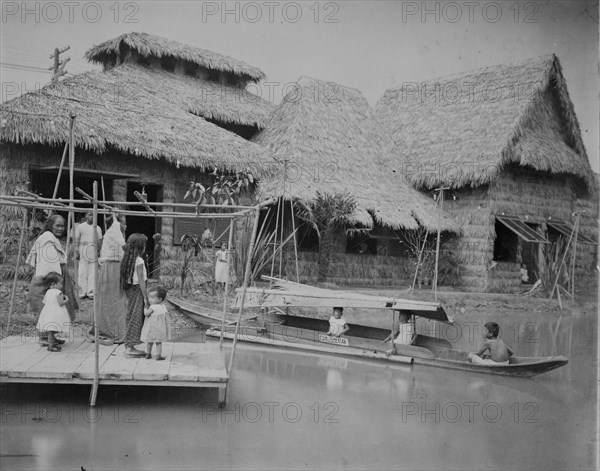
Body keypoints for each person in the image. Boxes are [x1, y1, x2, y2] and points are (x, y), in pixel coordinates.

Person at [26, 214, 78, 343]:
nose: (61, 228)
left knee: (53, 310)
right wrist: (55, 282)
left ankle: (51, 337)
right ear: (50, 225)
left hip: (51, 280)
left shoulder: (51, 238)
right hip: (46, 281)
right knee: (45, 310)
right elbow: (48, 263)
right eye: (58, 225)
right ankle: (44, 338)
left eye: (62, 226)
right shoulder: (47, 239)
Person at [94, 213, 127, 343]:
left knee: (117, 300)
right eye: (123, 223)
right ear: (117, 224)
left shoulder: (114, 235)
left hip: (115, 268)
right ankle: (111, 331)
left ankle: (115, 330)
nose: (125, 226)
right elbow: (124, 246)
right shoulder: (113, 233)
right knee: (112, 300)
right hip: (111, 269)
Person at [120, 233, 149, 357]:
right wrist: (146, 298)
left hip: (130, 290)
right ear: (140, 247)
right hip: (137, 290)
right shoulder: (139, 261)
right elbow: (141, 281)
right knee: (135, 318)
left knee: (131, 316)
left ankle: (129, 345)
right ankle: (130, 347)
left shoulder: (128, 258)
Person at [36, 272, 71, 352]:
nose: (62, 285)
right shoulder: (58, 292)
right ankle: (51, 345)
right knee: (53, 330)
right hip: (57, 314)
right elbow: (61, 303)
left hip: (48, 313)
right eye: (60, 283)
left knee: (51, 328)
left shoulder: (48, 292)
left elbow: (44, 302)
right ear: (54, 284)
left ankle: (53, 340)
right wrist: (66, 299)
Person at [74, 211, 103, 299]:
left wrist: (99, 252)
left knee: (92, 273)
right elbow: (76, 240)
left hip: (93, 252)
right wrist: (76, 251)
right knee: (82, 273)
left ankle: (91, 292)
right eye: (89, 215)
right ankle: (82, 292)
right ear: (86, 216)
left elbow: (100, 241)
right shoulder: (80, 227)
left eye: (93, 215)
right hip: (83, 252)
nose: (91, 217)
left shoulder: (97, 228)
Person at [141, 285, 171, 360]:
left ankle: (148, 354)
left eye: (152, 298)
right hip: (160, 329)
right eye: (149, 297)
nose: (150, 299)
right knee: (158, 342)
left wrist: (145, 307)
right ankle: (158, 355)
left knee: (150, 342)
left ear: (160, 299)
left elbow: (146, 314)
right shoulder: (163, 306)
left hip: (152, 329)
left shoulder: (153, 307)